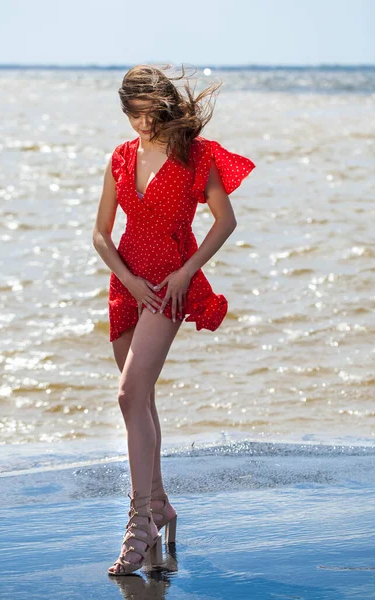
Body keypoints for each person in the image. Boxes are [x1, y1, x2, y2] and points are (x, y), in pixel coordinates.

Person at [92, 64, 255, 576]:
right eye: (131, 117)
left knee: (127, 394)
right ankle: (160, 506)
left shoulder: (195, 156)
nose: (140, 125)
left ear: (160, 104)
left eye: (145, 114)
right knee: (141, 398)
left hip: (167, 287)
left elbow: (225, 221)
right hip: (127, 283)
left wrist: (186, 271)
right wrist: (127, 278)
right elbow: (100, 234)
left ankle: (140, 521)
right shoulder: (119, 157)